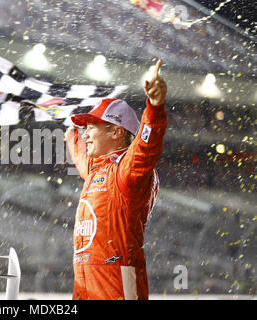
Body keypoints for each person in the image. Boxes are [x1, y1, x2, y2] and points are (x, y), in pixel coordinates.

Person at [65, 59, 167, 300]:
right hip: (85, 288)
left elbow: (146, 146)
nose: (86, 133)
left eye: (92, 127)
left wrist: (155, 107)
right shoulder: (94, 169)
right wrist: (70, 132)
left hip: (116, 289)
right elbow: (79, 150)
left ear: (116, 131)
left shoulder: (127, 171)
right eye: (85, 128)